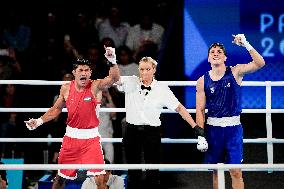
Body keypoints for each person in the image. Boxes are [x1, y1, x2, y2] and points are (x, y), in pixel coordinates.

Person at [24, 46, 120, 189]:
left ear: (90, 73)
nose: (84, 73)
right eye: (80, 70)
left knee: (100, 180)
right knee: (60, 179)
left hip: (91, 140)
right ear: (74, 72)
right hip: (70, 140)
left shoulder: (95, 86)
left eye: (87, 70)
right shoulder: (66, 88)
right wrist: (38, 121)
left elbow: (114, 78)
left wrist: (112, 60)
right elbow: (56, 109)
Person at [116, 56, 208, 189]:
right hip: (131, 129)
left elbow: (180, 108)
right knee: (132, 169)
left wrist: (195, 126)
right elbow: (114, 79)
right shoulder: (130, 81)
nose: (144, 72)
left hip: (152, 131)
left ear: (154, 69)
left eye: (147, 69)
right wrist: (113, 61)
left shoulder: (162, 88)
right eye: (141, 69)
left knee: (153, 170)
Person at [196, 34, 265, 189]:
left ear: (225, 57)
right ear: (208, 59)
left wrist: (246, 44)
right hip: (213, 130)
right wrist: (200, 135)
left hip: (233, 130)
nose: (215, 53)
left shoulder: (236, 72)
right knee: (217, 172)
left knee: (236, 171)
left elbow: (260, 63)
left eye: (219, 51)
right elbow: (200, 110)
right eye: (212, 51)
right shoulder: (202, 81)